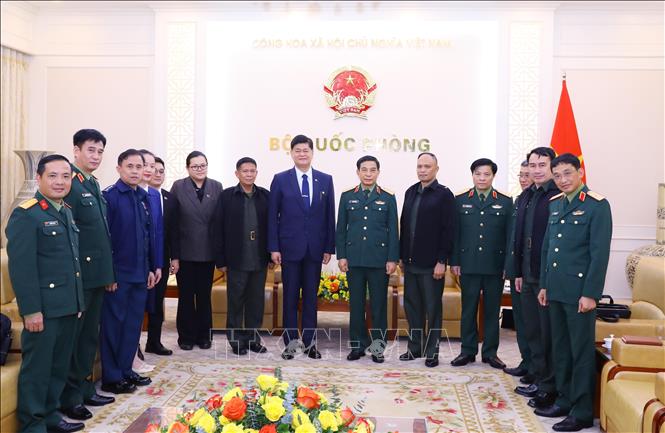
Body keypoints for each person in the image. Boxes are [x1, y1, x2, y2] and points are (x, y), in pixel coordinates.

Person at [6, 154, 86, 433]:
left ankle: (51, 414)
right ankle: (33, 423)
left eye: (65, 176)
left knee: (58, 367)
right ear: (39, 178)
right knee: (38, 370)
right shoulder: (26, 214)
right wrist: (30, 310)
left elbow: (72, 263)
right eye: (52, 176)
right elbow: (22, 268)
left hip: (67, 306)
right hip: (43, 309)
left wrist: (78, 301)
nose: (60, 181)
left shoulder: (64, 210)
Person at [536, 153, 612, 432]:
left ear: (580, 172)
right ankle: (565, 400)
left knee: (580, 353)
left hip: (580, 293)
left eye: (568, 173)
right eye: (557, 175)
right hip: (556, 290)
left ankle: (581, 411)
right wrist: (544, 284)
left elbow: (599, 254)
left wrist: (591, 293)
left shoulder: (596, 205)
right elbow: (547, 248)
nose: (563, 180)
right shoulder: (556, 204)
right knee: (561, 349)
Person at [59, 130, 116, 422]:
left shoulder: (92, 183)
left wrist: (107, 273)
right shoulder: (68, 182)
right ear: (76, 150)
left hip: (95, 276)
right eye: (91, 150)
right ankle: (70, 398)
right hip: (79, 277)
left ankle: (84, 390)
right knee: (75, 339)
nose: (95, 156)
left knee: (88, 338)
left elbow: (100, 235)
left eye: (100, 152)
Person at [268, 134, 336, 360]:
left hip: (315, 250)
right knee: (289, 298)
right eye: (298, 150)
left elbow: (329, 217)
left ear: (312, 152)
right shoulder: (280, 179)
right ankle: (290, 343)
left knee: (310, 298)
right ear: (291, 153)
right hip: (289, 249)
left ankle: (310, 343)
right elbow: (272, 216)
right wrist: (274, 247)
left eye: (306, 150)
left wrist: (329, 247)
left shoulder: (325, 180)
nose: (302, 154)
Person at [100, 149, 158, 394]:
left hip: (139, 274)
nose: (135, 171)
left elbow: (146, 238)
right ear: (119, 169)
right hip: (118, 277)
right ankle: (112, 377)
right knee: (114, 326)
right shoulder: (110, 198)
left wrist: (149, 268)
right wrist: (108, 275)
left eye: (139, 166)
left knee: (133, 326)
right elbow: (104, 241)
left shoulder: (142, 198)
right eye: (130, 166)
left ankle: (126, 370)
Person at [450, 158, 512, 369]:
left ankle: (490, 353)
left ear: (493, 176)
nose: (482, 178)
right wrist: (455, 261)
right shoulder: (460, 200)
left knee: (493, 311)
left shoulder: (505, 201)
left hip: (495, 265)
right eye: (478, 174)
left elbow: (509, 236)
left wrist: (507, 265)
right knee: (468, 309)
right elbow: (455, 234)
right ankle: (467, 351)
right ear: (473, 175)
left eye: (486, 174)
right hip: (468, 264)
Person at [336, 156, 398, 364]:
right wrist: (342, 255)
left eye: (372, 170)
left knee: (379, 306)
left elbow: (393, 232)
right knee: (356, 305)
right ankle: (357, 346)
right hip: (354, 259)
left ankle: (378, 347)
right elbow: (341, 229)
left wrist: (392, 259)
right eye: (364, 170)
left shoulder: (388, 197)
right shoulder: (347, 196)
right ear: (358, 172)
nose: (368, 173)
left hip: (379, 260)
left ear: (378, 172)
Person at [513, 147, 561, 410]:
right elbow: (519, 238)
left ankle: (548, 386)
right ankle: (537, 376)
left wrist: (544, 279)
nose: (537, 170)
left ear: (551, 167)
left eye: (542, 165)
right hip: (527, 273)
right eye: (533, 165)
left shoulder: (557, 196)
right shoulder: (527, 195)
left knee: (547, 335)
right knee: (532, 330)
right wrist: (517, 272)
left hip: (546, 278)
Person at [398, 152, 456, 368]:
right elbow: (404, 226)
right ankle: (415, 348)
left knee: (432, 309)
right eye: (420, 166)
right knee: (412, 308)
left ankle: (432, 351)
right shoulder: (410, 192)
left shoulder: (444, 195)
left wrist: (443, 260)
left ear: (436, 169)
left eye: (427, 166)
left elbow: (448, 230)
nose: (423, 170)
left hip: (433, 265)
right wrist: (402, 257)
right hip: (411, 263)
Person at [214, 157, 271, 355]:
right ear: (237, 174)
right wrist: (220, 260)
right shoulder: (227, 196)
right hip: (236, 258)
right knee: (236, 301)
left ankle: (253, 339)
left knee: (256, 302)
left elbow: (273, 227)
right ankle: (236, 340)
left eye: (252, 171)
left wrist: (272, 254)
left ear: (256, 173)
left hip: (259, 257)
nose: (249, 174)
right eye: (245, 171)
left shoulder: (265, 196)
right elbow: (218, 229)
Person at [170, 151, 223, 350]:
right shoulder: (178, 186)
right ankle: (185, 337)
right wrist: (173, 255)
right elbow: (173, 222)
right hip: (185, 252)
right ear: (188, 168)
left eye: (203, 166)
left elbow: (220, 220)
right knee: (185, 296)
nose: (199, 169)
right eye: (195, 166)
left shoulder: (216, 186)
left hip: (208, 252)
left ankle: (204, 336)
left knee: (203, 296)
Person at [145, 156, 179, 356]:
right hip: (143, 260)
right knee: (141, 303)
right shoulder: (141, 195)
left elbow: (174, 231)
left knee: (157, 302)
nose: (158, 174)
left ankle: (154, 341)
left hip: (163, 259)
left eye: (161, 171)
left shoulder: (169, 198)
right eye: (154, 169)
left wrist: (175, 257)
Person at [504, 160, 534, 380]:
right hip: (517, 271)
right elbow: (512, 239)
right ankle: (526, 361)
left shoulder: (539, 200)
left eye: (527, 174)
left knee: (532, 324)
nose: (524, 179)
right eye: (521, 175)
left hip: (530, 272)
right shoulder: (520, 200)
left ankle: (534, 367)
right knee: (521, 321)